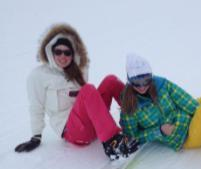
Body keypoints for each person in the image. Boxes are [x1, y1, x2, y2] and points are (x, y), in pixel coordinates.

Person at [14, 24, 138, 160]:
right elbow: (35, 106)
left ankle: (140, 113)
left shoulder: (80, 70)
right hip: (73, 131)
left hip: (90, 123)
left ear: (73, 54)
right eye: (58, 52)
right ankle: (113, 144)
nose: (63, 56)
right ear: (50, 51)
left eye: (67, 52)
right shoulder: (38, 76)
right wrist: (36, 136)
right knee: (88, 90)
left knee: (110, 81)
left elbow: (87, 102)